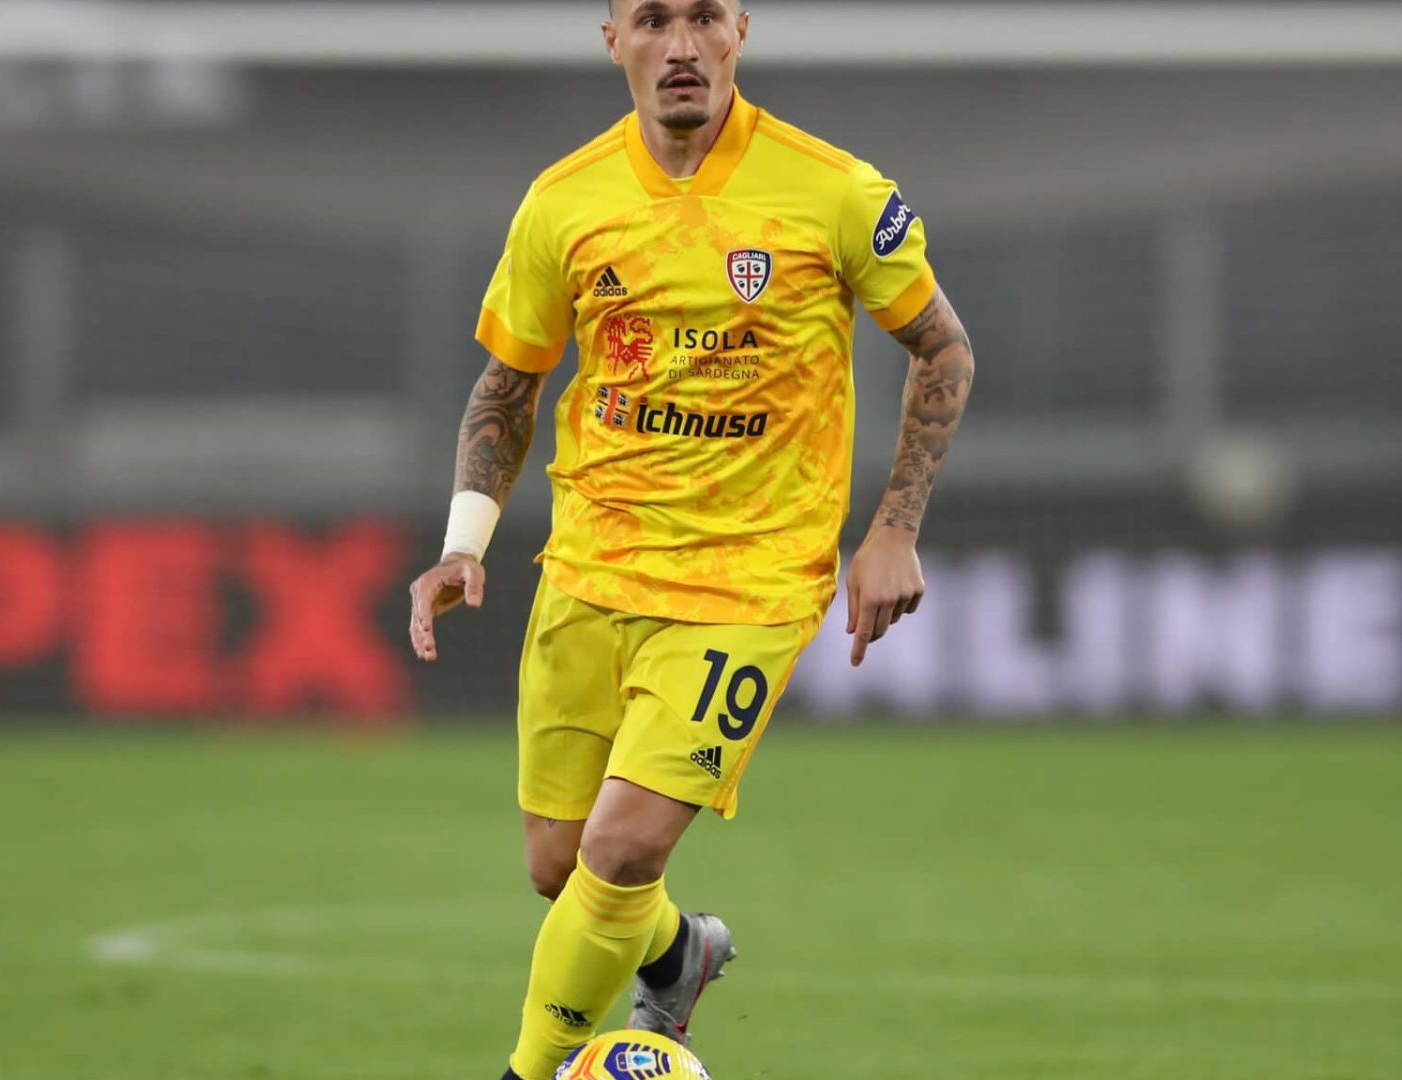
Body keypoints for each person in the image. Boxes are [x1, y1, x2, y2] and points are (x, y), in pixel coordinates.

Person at [405, 2, 975, 1076]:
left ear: (741, 33)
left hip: (750, 581)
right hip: (591, 565)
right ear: (611, 37)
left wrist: (893, 529)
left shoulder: (834, 191)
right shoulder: (564, 201)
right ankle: (676, 960)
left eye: (704, 15)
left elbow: (944, 351)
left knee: (622, 850)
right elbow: (508, 383)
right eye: (654, 18)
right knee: (559, 865)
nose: (681, 44)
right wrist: (465, 540)